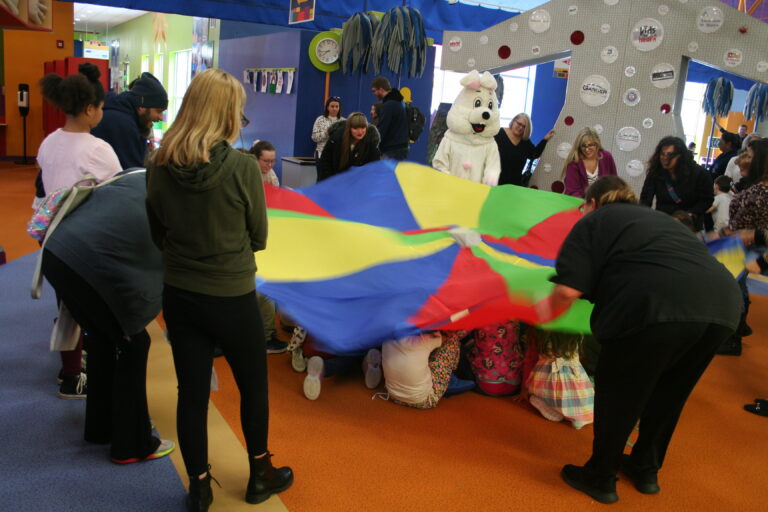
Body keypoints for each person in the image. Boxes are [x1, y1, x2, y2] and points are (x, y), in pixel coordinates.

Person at [145, 69, 293, 511]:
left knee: (190, 393)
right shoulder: (245, 168)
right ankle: (260, 476)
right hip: (232, 295)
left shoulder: (158, 166)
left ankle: (200, 484)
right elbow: (259, 236)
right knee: (253, 388)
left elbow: (157, 233)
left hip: (180, 294)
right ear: (228, 114)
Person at [546, 176, 740, 504]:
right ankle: (645, 469)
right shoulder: (657, 221)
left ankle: (600, 477)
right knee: (670, 392)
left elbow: (567, 290)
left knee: (620, 390)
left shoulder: (593, 220)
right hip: (723, 306)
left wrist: (541, 311)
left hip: (656, 304)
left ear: (591, 203)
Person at [41, 171, 175, 464]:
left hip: (57, 253)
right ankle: (133, 444)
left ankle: (100, 428)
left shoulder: (140, 174)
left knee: (102, 340)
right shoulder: (180, 199)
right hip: (89, 263)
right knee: (133, 343)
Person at [37, 62, 123, 399]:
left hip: (54, 239)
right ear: (89, 109)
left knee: (67, 306)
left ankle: (69, 370)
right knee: (93, 309)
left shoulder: (48, 143)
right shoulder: (97, 149)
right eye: (100, 107)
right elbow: (119, 193)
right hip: (86, 241)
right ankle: (77, 377)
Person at [716, 138, 768, 356]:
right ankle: (734, 329)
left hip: (748, 250)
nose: (740, 160)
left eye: (748, 155)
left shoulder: (764, 191)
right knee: (734, 289)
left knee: (733, 290)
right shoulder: (755, 186)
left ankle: (733, 335)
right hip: (737, 246)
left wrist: (759, 259)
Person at [248, 140, 288, 354]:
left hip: (264, 231)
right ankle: (266, 336)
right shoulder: (248, 173)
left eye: (273, 161)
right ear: (256, 158)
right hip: (250, 235)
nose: (270, 165)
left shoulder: (271, 176)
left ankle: (268, 331)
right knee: (262, 289)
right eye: (266, 161)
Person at [519, 328, 594, 429]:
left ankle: (550, 407)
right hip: (575, 377)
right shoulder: (577, 332)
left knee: (534, 394)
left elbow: (530, 360)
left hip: (545, 382)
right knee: (583, 397)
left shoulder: (539, 331)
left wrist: (524, 390)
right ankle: (577, 416)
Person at [91, 72, 168, 169]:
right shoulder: (124, 126)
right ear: (141, 106)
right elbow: (131, 175)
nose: (161, 118)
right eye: (158, 111)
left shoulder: (118, 113)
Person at [640, 136, 713, 231]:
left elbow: (707, 200)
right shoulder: (656, 173)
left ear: (680, 156)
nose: (665, 158)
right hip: (662, 223)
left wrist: (690, 214)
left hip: (688, 226)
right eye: (662, 154)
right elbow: (646, 199)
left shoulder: (700, 173)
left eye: (670, 155)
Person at [380, 331, 469, 409]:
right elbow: (445, 338)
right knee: (452, 340)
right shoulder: (423, 339)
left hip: (394, 396)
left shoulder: (387, 334)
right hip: (424, 400)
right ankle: (450, 380)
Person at [494, 113, 554, 186]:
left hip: (515, 185)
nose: (520, 128)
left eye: (524, 127)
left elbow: (535, 154)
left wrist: (545, 139)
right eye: (519, 124)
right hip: (495, 182)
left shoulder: (525, 142)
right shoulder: (498, 134)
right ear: (513, 121)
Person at [316, 112, 380, 181]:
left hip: (359, 184)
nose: (360, 132)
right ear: (349, 128)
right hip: (335, 181)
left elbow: (374, 167)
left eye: (363, 127)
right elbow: (325, 163)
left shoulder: (370, 142)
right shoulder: (336, 139)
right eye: (355, 128)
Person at [467, 320, 522, 396]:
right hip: (514, 385)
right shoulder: (515, 318)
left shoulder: (479, 314)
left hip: (486, 386)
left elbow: (458, 334)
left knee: (463, 347)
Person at [562, 127, 617, 198]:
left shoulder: (607, 156)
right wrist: (587, 204)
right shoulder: (574, 162)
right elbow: (572, 191)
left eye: (590, 145)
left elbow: (615, 183)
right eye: (583, 146)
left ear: (597, 144)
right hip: (581, 204)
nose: (587, 149)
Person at [371, 76, 409, 160]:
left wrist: (372, 145)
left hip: (391, 149)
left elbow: (382, 129)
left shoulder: (388, 105)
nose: (374, 94)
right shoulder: (400, 102)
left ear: (381, 89)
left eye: (374, 91)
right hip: (401, 147)